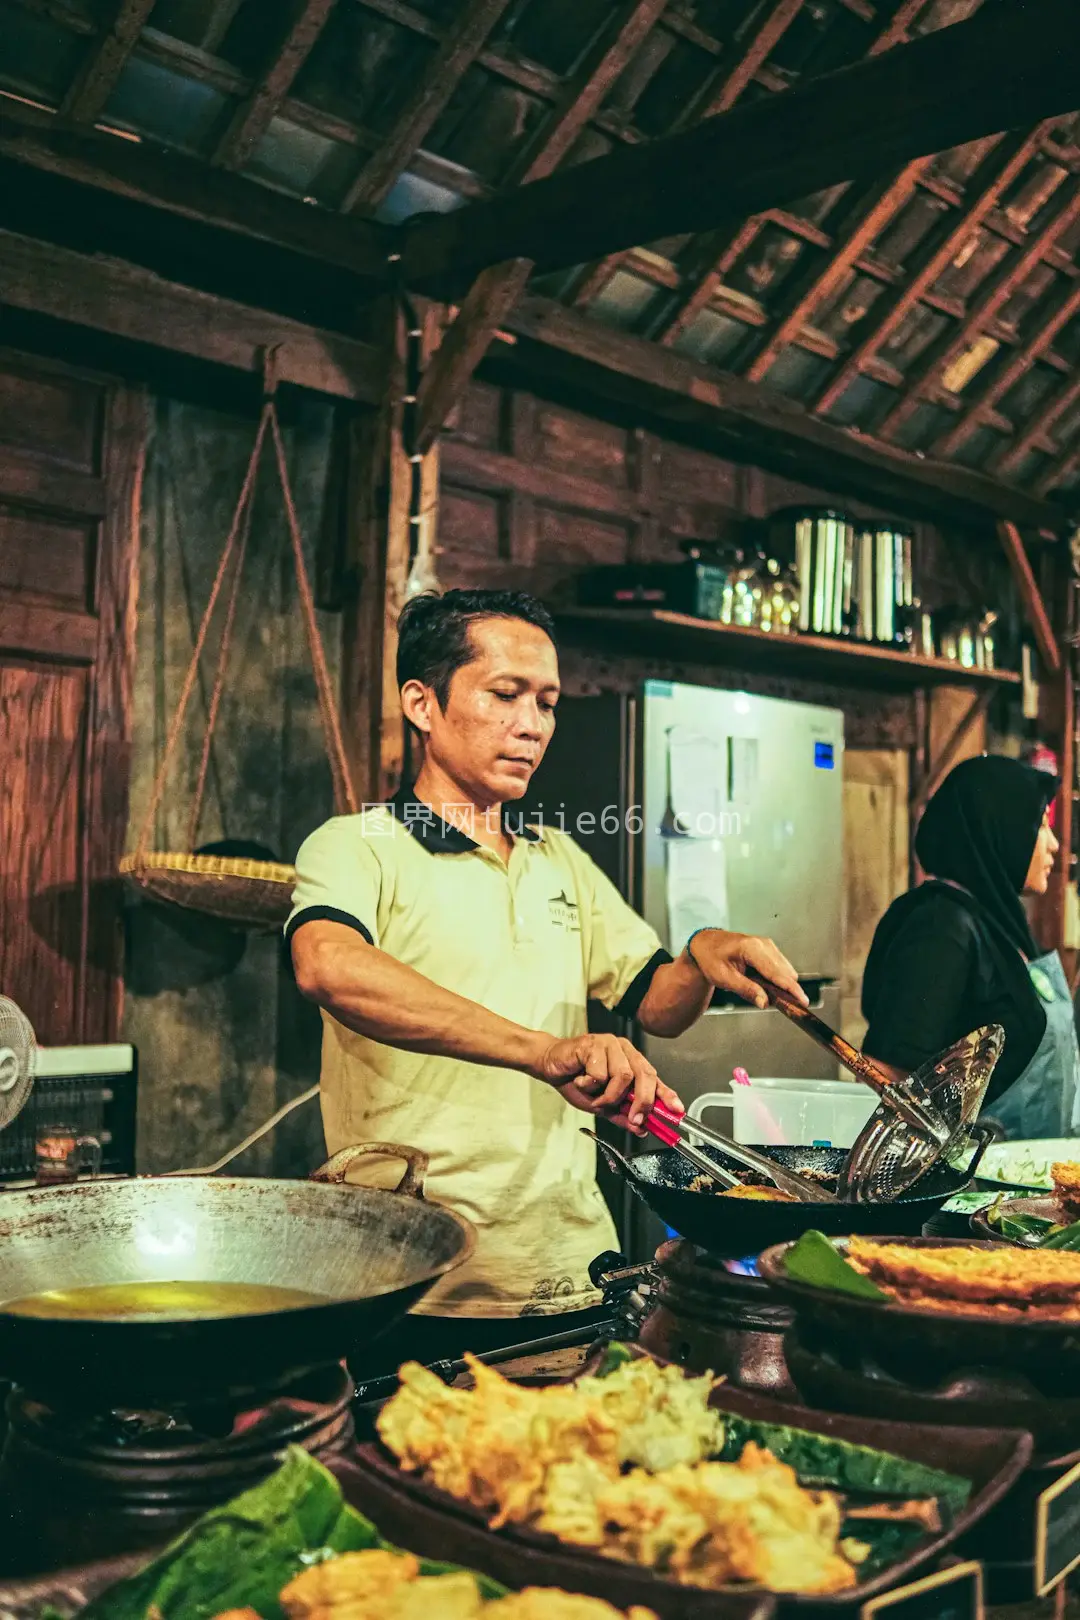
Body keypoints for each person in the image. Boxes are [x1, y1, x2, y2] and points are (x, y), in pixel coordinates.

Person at [287, 588, 804, 1369]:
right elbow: (329, 966)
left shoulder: (557, 858)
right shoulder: (359, 846)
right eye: (504, 695)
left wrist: (699, 955)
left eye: (547, 703)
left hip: (573, 1270)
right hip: (420, 1281)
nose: (531, 725)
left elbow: (656, 1004)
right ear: (422, 704)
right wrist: (543, 1051)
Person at [861, 753, 1078, 1140]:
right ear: (1000, 828)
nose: (1055, 845)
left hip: (1028, 1178)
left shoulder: (997, 926)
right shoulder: (941, 925)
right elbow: (888, 1075)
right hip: (969, 1188)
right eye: (1040, 825)